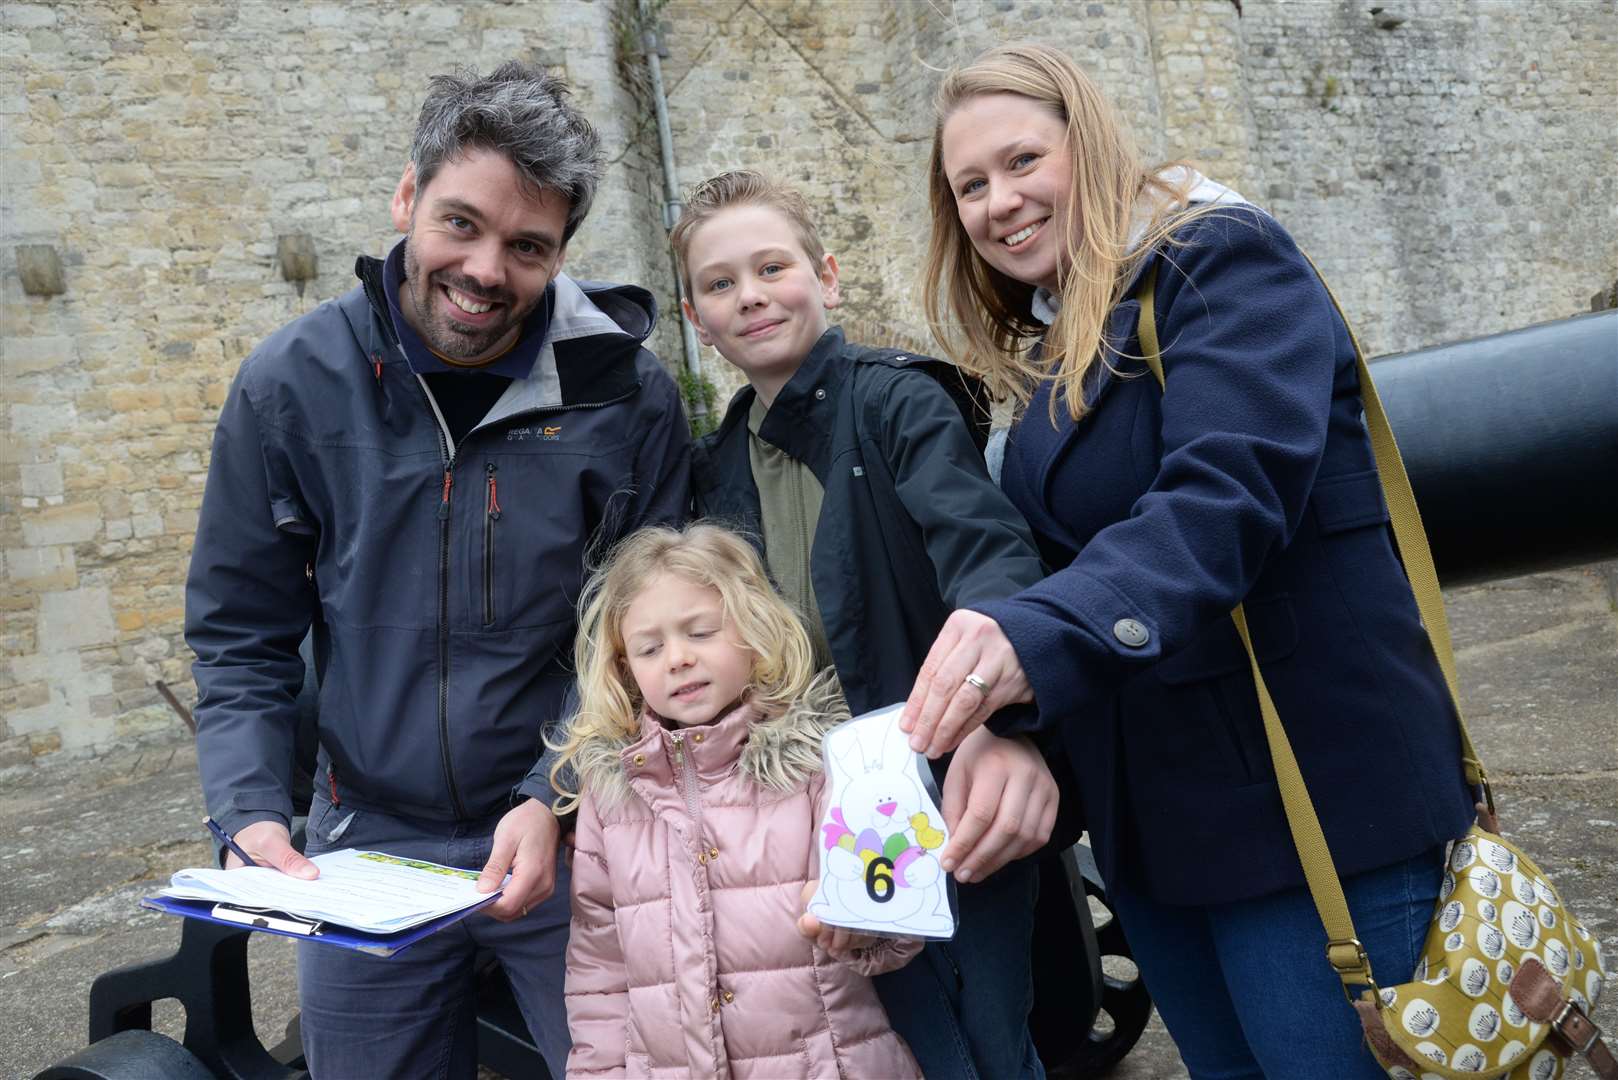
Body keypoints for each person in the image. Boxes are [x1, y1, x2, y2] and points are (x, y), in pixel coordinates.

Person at [900, 43, 1477, 1078]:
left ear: (1091, 143)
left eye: (1023, 159)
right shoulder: (1055, 340)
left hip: (1306, 811)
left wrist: (1028, 641)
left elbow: (1224, 496)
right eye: (969, 185)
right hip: (1162, 837)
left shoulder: (1220, 259)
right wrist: (1013, 729)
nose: (999, 201)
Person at [184, 62, 690, 1078]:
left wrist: (555, 796)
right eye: (460, 223)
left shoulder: (625, 397)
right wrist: (246, 811)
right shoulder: (289, 385)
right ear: (407, 199)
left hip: (576, 830)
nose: (486, 269)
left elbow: (657, 639)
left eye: (527, 246)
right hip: (367, 844)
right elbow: (241, 634)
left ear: (561, 254)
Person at [676, 169, 1056, 1079]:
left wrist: (996, 717)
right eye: (720, 284)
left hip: (937, 780)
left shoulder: (897, 403)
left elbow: (987, 553)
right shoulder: (719, 463)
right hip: (809, 806)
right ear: (695, 317)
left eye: (772, 267)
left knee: (982, 1043)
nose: (751, 296)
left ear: (828, 275)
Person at [551, 523, 923, 1079]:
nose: (677, 658)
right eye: (650, 648)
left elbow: (898, 920)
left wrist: (861, 916)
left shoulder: (824, 764)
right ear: (626, 669)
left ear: (755, 629)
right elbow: (598, 972)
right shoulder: (612, 794)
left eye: (700, 633)